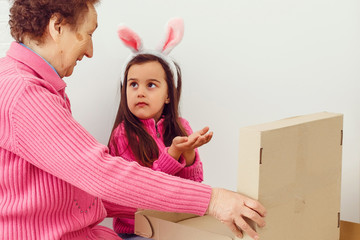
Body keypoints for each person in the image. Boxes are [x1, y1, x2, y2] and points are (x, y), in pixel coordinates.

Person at [0, 1, 266, 239]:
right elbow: (100, 173)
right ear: (58, 27)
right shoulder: (25, 91)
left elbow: (85, 190)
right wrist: (212, 200)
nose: (90, 51)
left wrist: (199, 196)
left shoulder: (28, 84)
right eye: (89, 34)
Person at [108, 18, 213, 239]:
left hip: (173, 224)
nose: (140, 92)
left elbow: (192, 186)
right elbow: (144, 190)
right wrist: (173, 153)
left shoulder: (181, 127)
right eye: (133, 84)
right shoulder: (123, 135)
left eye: (151, 85)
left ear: (168, 95)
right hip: (138, 229)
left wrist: (189, 153)